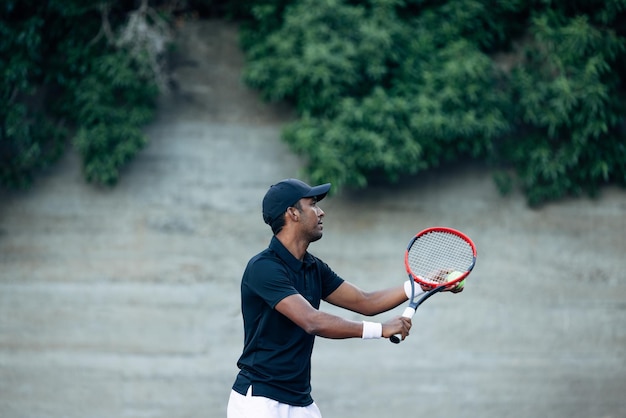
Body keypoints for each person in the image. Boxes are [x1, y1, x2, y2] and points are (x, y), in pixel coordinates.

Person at [227, 178, 461, 418]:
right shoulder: (263, 268)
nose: (321, 212)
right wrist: (380, 329)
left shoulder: (313, 267)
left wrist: (424, 283)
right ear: (292, 213)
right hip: (259, 401)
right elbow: (312, 321)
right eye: (313, 204)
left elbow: (365, 301)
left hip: (300, 401)